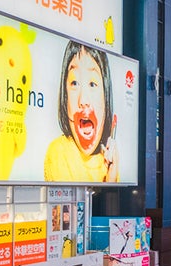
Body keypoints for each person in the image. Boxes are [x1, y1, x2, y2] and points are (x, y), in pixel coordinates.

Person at [43, 42, 119, 182]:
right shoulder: (58, 152)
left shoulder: (108, 162)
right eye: (74, 83)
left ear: (106, 96)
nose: (83, 99)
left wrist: (111, 181)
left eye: (92, 84)